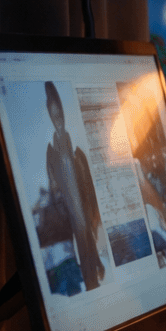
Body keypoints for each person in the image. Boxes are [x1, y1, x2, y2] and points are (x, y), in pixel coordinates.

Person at [44, 81, 107, 292]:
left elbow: (89, 184)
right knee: (82, 237)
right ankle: (91, 277)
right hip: (70, 213)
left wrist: (94, 211)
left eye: (59, 113)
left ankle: (95, 270)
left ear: (62, 113)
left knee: (87, 235)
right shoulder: (51, 153)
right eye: (53, 114)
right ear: (50, 116)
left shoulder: (77, 151)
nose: (57, 118)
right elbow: (53, 190)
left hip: (84, 209)